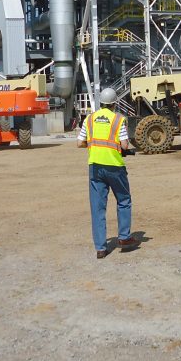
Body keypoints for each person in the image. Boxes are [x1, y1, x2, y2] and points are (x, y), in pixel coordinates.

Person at [78, 87, 136, 259]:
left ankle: (101, 248)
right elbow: (125, 145)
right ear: (114, 103)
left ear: (100, 102)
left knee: (97, 208)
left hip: (95, 167)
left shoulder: (89, 119)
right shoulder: (118, 120)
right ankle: (124, 238)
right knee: (124, 200)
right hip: (115, 167)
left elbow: (80, 143)